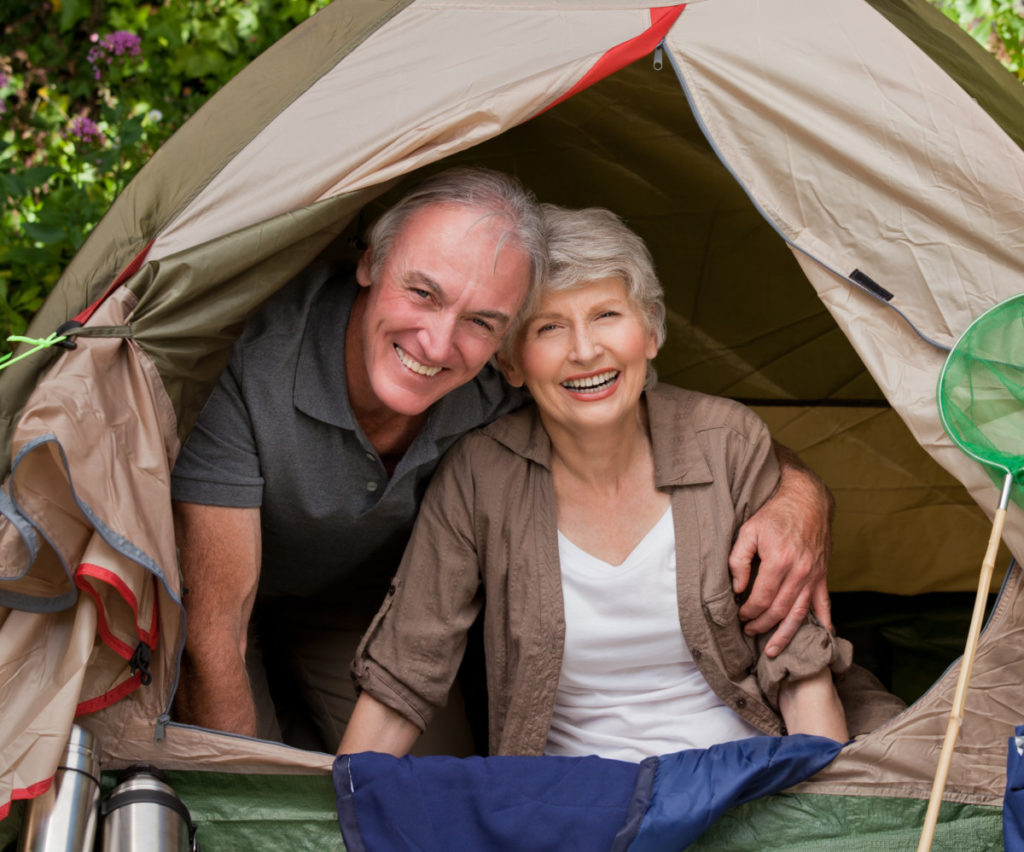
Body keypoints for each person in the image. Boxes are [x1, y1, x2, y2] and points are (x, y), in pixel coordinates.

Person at [171, 169, 835, 752]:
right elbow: (215, 636)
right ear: (369, 262)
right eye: (423, 293)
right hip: (226, 595)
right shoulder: (257, 365)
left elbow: (709, 442)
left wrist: (801, 498)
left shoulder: (504, 385)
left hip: (360, 604)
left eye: (482, 321)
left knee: (428, 796)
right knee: (248, 763)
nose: (437, 343)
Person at [340, 206, 903, 760]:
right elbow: (404, 674)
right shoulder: (481, 474)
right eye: (549, 327)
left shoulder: (725, 440)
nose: (585, 351)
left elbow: (798, 669)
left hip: (745, 779)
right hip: (581, 806)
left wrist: (822, 821)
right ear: (510, 362)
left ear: (652, 330)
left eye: (607, 314)